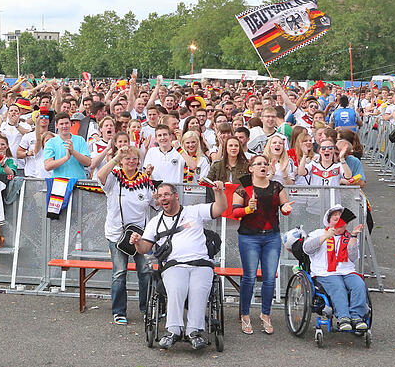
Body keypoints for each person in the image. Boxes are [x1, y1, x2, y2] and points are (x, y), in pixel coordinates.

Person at [130, 181, 228, 350]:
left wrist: (219, 192)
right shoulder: (155, 222)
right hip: (174, 265)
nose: (163, 198)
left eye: (166, 194)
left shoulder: (194, 211)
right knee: (176, 287)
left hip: (201, 263)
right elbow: (144, 248)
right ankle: (173, 330)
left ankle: (194, 332)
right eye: (160, 196)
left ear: (176, 196)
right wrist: (137, 242)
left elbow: (220, 208)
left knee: (198, 288)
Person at [230, 155, 294, 335]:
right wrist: (248, 209)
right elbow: (235, 212)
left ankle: (265, 314)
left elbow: (284, 206)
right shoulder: (243, 188)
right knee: (249, 277)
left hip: (272, 236)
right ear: (251, 168)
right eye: (258, 164)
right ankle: (245, 314)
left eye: (265, 164)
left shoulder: (277, 186)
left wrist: (286, 209)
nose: (262, 166)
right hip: (249, 237)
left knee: (269, 278)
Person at [96, 145, 157, 325]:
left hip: (141, 235)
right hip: (118, 234)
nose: (131, 161)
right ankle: (119, 311)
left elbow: (153, 202)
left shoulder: (145, 179)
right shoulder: (114, 176)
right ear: (121, 161)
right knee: (119, 273)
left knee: (145, 272)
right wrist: (116, 157)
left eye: (134, 158)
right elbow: (100, 176)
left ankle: (147, 309)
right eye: (127, 158)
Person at [302, 204, 368, 332]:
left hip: (347, 271)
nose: (339, 222)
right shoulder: (318, 233)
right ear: (329, 221)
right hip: (325, 272)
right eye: (335, 219)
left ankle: (357, 317)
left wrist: (354, 237)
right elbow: (307, 249)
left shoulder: (348, 236)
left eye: (341, 219)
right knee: (338, 286)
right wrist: (325, 237)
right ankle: (343, 317)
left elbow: (353, 257)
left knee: (359, 284)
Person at [43, 112, 91, 180]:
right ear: (56, 125)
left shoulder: (80, 140)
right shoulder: (51, 142)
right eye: (61, 124)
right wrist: (66, 158)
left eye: (66, 123)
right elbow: (47, 166)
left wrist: (73, 152)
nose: (64, 126)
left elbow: (88, 162)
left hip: (79, 181)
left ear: (70, 124)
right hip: (59, 182)